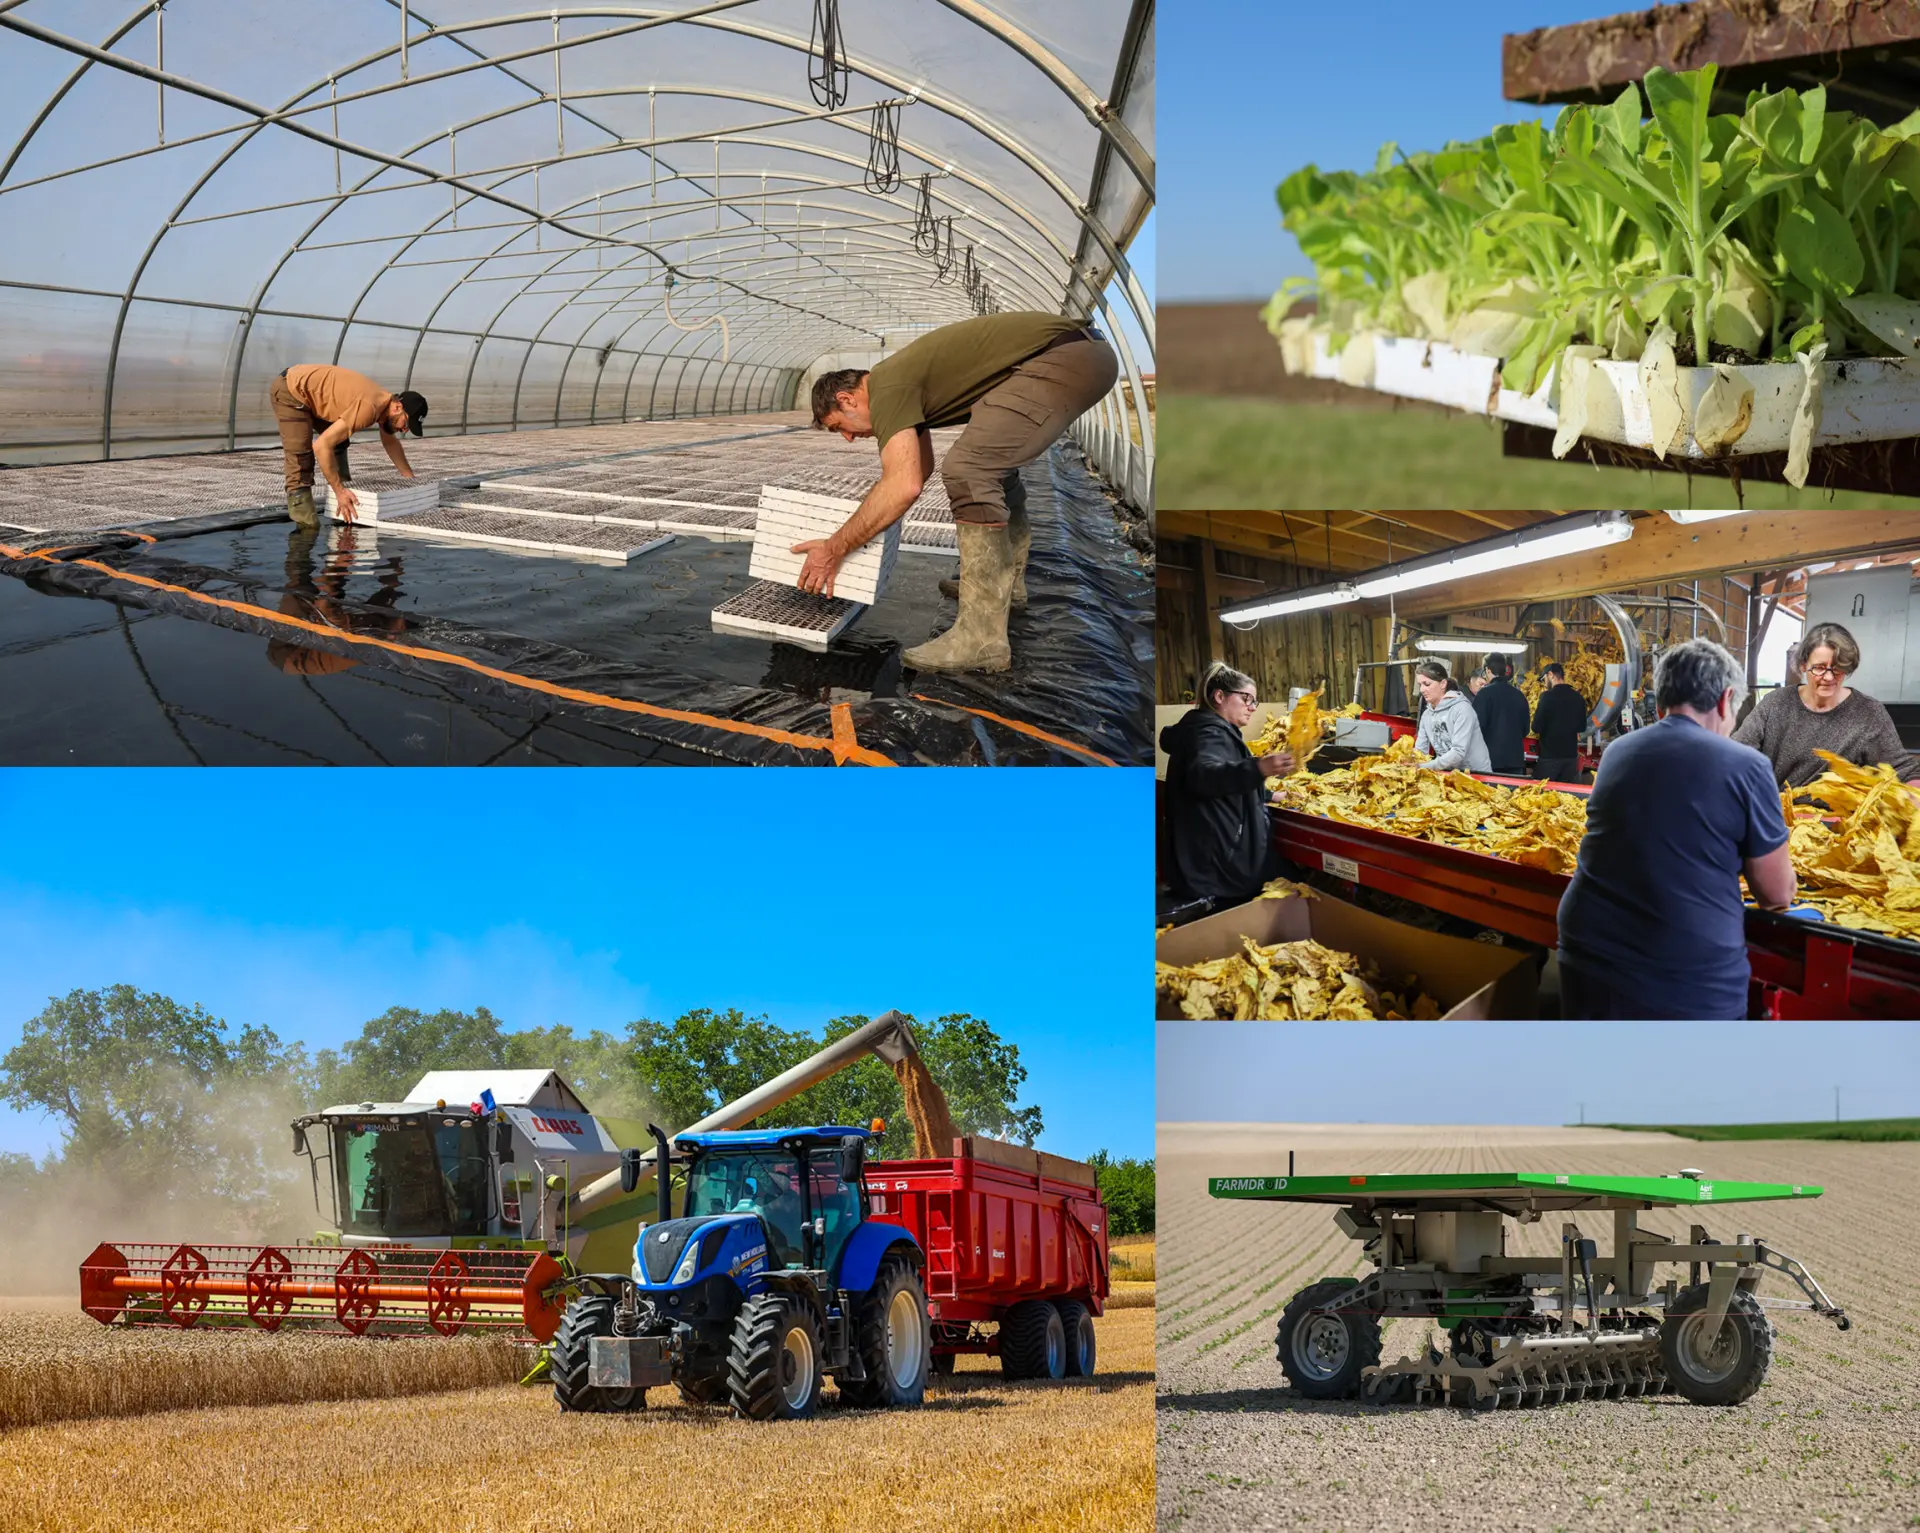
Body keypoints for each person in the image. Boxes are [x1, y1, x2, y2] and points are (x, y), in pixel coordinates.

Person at [797, 312, 1120, 672]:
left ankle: (981, 640)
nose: (848, 437)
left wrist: (834, 548)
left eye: (840, 426)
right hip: (1081, 354)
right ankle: (1005, 588)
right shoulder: (896, 383)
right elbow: (918, 470)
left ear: (847, 399)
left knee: (969, 469)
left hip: (1063, 359)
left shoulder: (888, 387)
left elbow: (903, 486)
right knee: (989, 466)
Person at [1557, 638, 1795, 1020]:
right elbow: (1775, 892)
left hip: (1587, 949)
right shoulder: (1746, 765)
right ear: (1725, 699)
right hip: (1683, 972)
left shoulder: (1619, 751)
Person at [1160, 662, 1297, 907]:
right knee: (1290, 882)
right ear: (1220, 696)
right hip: (1215, 866)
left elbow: (1223, 781)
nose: (1252, 707)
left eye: (1255, 701)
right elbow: (1205, 776)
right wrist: (1259, 768)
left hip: (1203, 857)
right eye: (1246, 699)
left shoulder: (1204, 729)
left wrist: (1268, 795)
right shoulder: (1209, 733)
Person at [1733, 621, 1920, 789]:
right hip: (1780, 812)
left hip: (1841, 820)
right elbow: (1736, 752)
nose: (1829, 677)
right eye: (1820, 668)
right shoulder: (1776, 704)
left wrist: (1913, 794)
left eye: (1838, 668)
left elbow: (1903, 770)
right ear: (1803, 666)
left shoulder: (1869, 713)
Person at [270, 364, 428, 529]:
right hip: (290, 390)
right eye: (406, 423)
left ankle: (344, 504)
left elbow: (390, 442)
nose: (405, 430)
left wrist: (410, 480)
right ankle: (305, 527)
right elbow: (321, 446)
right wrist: (339, 490)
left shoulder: (385, 405)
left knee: (340, 439)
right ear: (397, 408)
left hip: (311, 391)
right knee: (301, 458)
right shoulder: (369, 407)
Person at [1412, 659, 1491, 772]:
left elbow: (1458, 752)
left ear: (1443, 684)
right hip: (1449, 774)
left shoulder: (1462, 709)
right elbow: (1420, 751)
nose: (1422, 690)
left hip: (1476, 775)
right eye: (1420, 685)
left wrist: (1423, 767)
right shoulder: (1426, 715)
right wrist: (1410, 761)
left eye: (1427, 684)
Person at [1472, 653, 1531, 775]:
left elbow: (1476, 728)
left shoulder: (1483, 695)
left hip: (1490, 761)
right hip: (1515, 761)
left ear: (1487, 670)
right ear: (1506, 670)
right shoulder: (1519, 695)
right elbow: (1525, 730)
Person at [1532, 661, 1589, 783]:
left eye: (1544, 679)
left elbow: (1536, 727)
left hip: (1550, 758)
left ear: (1551, 675)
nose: (1544, 683)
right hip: (1571, 758)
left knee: (1544, 794)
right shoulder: (1578, 697)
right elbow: (1582, 727)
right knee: (1566, 795)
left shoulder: (1547, 697)